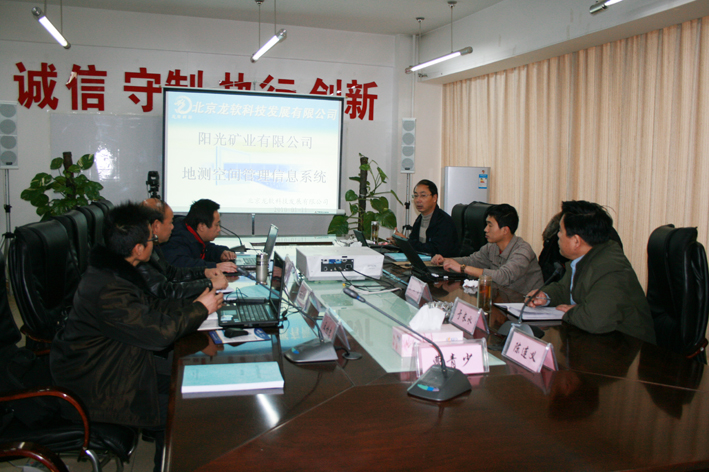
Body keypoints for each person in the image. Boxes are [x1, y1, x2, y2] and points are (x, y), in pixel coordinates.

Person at [50, 202, 224, 472]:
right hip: (99, 389)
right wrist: (200, 309)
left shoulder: (115, 271)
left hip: (115, 365)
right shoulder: (110, 289)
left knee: (188, 378)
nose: (155, 243)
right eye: (151, 239)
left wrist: (196, 304)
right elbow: (158, 336)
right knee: (184, 408)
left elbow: (152, 307)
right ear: (138, 249)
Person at [526, 200, 655, 344]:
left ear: (576, 241)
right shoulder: (586, 258)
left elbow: (595, 320)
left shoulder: (611, 268)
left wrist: (571, 312)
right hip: (599, 341)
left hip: (629, 347)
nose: (558, 235)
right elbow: (565, 289)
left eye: (561, 231)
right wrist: (545, 296)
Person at [432, 203, 543, 294]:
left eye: (490, 225)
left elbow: (503, 277)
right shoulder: (492, 247)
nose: (485, 229)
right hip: (502, 300)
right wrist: (446, 260)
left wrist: (462, 268)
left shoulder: (523, 250)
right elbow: (472, 261)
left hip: (526, 305)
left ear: (505, 230)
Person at [138, 198, 228, 299]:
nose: (173, 227)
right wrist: (209, 284)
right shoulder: (141, 255)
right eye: (170, 223)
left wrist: (204, 272)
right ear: (156, 226)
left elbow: (172, 272)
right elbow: (166, 291)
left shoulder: (154, 246)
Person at [161, 199, 238, 272]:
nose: (219, 229)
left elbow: (206, 249)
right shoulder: (177, 238)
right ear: (201, 226)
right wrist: (214, 267)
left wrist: (221, 253)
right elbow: (180, 265)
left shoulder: (192, 230)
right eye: (216, 225)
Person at [390, 180, 458, 256]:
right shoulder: (420, 219)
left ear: (434, 198)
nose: (418, 200)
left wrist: (407, 242)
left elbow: (436, 251)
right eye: (416, 196)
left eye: (423, 195)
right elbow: (414, 244)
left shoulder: (444, 221)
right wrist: (400, 242)